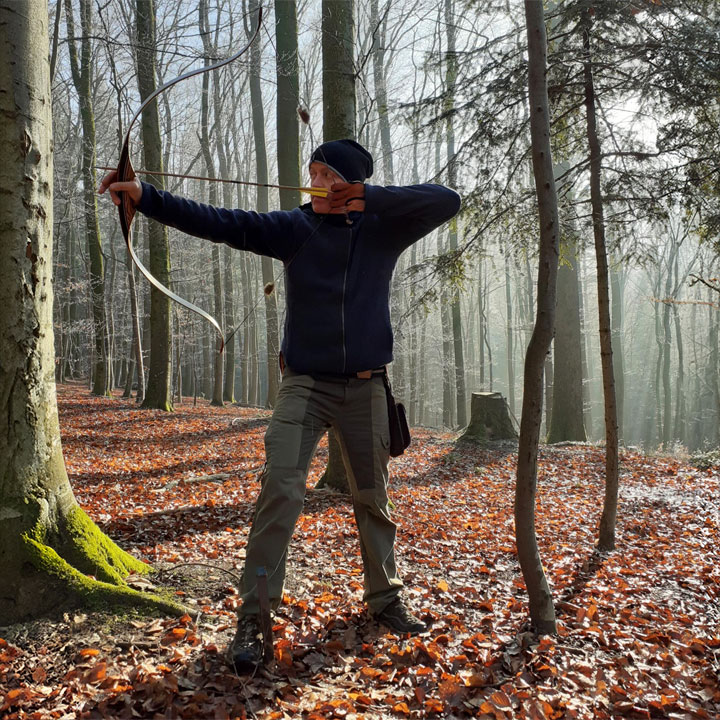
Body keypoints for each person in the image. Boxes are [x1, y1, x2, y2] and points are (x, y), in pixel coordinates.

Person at [100, 139, 461, 672]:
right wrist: (146, 197)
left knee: (372, 496)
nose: (313, 181)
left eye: (325, 174)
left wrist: (370, 198)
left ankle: (386, 600)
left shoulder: (385, 227)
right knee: (280, 492)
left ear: (349, 183)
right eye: (312, 172)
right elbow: (222, 221)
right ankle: (254, 619)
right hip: (305, 385)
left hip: (366, 387)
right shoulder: (294, 227)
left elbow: (446, 199)